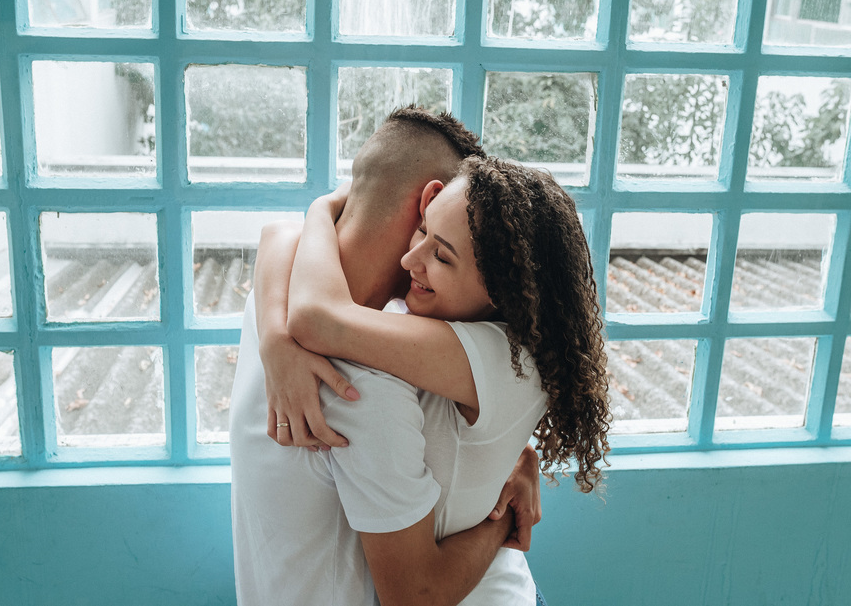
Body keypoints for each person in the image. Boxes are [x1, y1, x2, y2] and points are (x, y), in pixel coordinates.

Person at [229, 108, 543, 606]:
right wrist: (501, 518)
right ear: (429, 201)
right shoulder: (362, 383)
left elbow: (280, 238)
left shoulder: (276, 294)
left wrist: (517, 455)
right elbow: (416, 594)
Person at [274, 155, 611, 605]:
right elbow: (274, 241)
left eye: (441, 255)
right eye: (422, 230)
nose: (410, 258)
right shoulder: (451, 329)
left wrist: (321, 209)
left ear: (500, 290)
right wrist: (275, 344)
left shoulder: (506, 359)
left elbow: (318, 318)